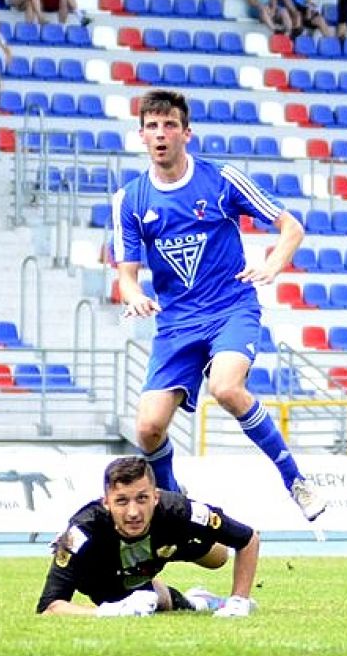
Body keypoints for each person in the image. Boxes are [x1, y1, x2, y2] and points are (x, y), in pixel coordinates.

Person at [112, 89, 325, 522]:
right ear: (141, 136)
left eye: (169, 125)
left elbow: (291, 226)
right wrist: (134, 298)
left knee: (226, 387)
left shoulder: (222, 179)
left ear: (186, 134)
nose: (161, 134)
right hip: (176, 325)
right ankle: (174, 502)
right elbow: (127, 275)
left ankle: (295, 481)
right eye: (152, 126)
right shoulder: (129, 200)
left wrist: (273, 264)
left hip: (230, 309)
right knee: (148, 429)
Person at [36, 457, 260, 618]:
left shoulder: (177, 509)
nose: (133, 512)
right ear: (106, 502)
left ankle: (188, 543)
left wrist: (239, 601)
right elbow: (49, 606)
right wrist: (107, 612)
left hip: (168, 542)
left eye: (142, 498)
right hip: (106, 577)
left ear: (156, 496)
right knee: (155, 600)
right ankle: (199, 601)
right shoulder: (83, 531)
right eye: (122, 501)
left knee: (219, 558)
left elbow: (248, 538)